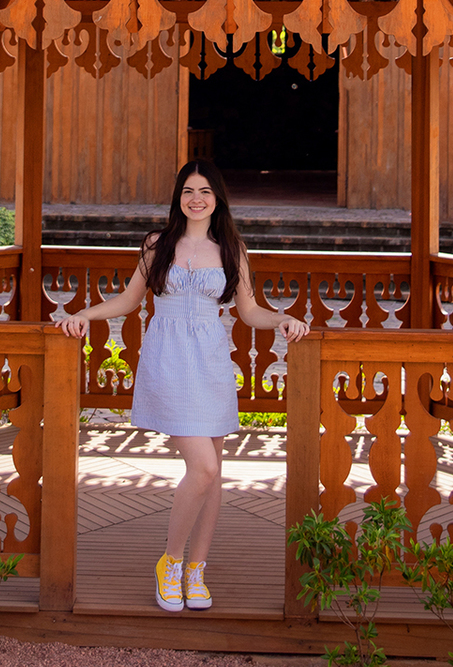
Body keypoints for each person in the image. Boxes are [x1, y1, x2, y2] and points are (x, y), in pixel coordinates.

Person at [57, 159, 308, 613]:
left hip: (212, 361)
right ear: (179, 197)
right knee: (205, 468)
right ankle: (169, 563)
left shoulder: (232, 247)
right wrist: (83, 315)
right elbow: (129, 300)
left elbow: (250, 311)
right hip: (168, 359)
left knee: (215, 475)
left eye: (206, 191)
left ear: (218, 199)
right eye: (189, 190)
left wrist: (283, 318)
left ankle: (197, 569)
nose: (197, 198)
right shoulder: (158, 244)